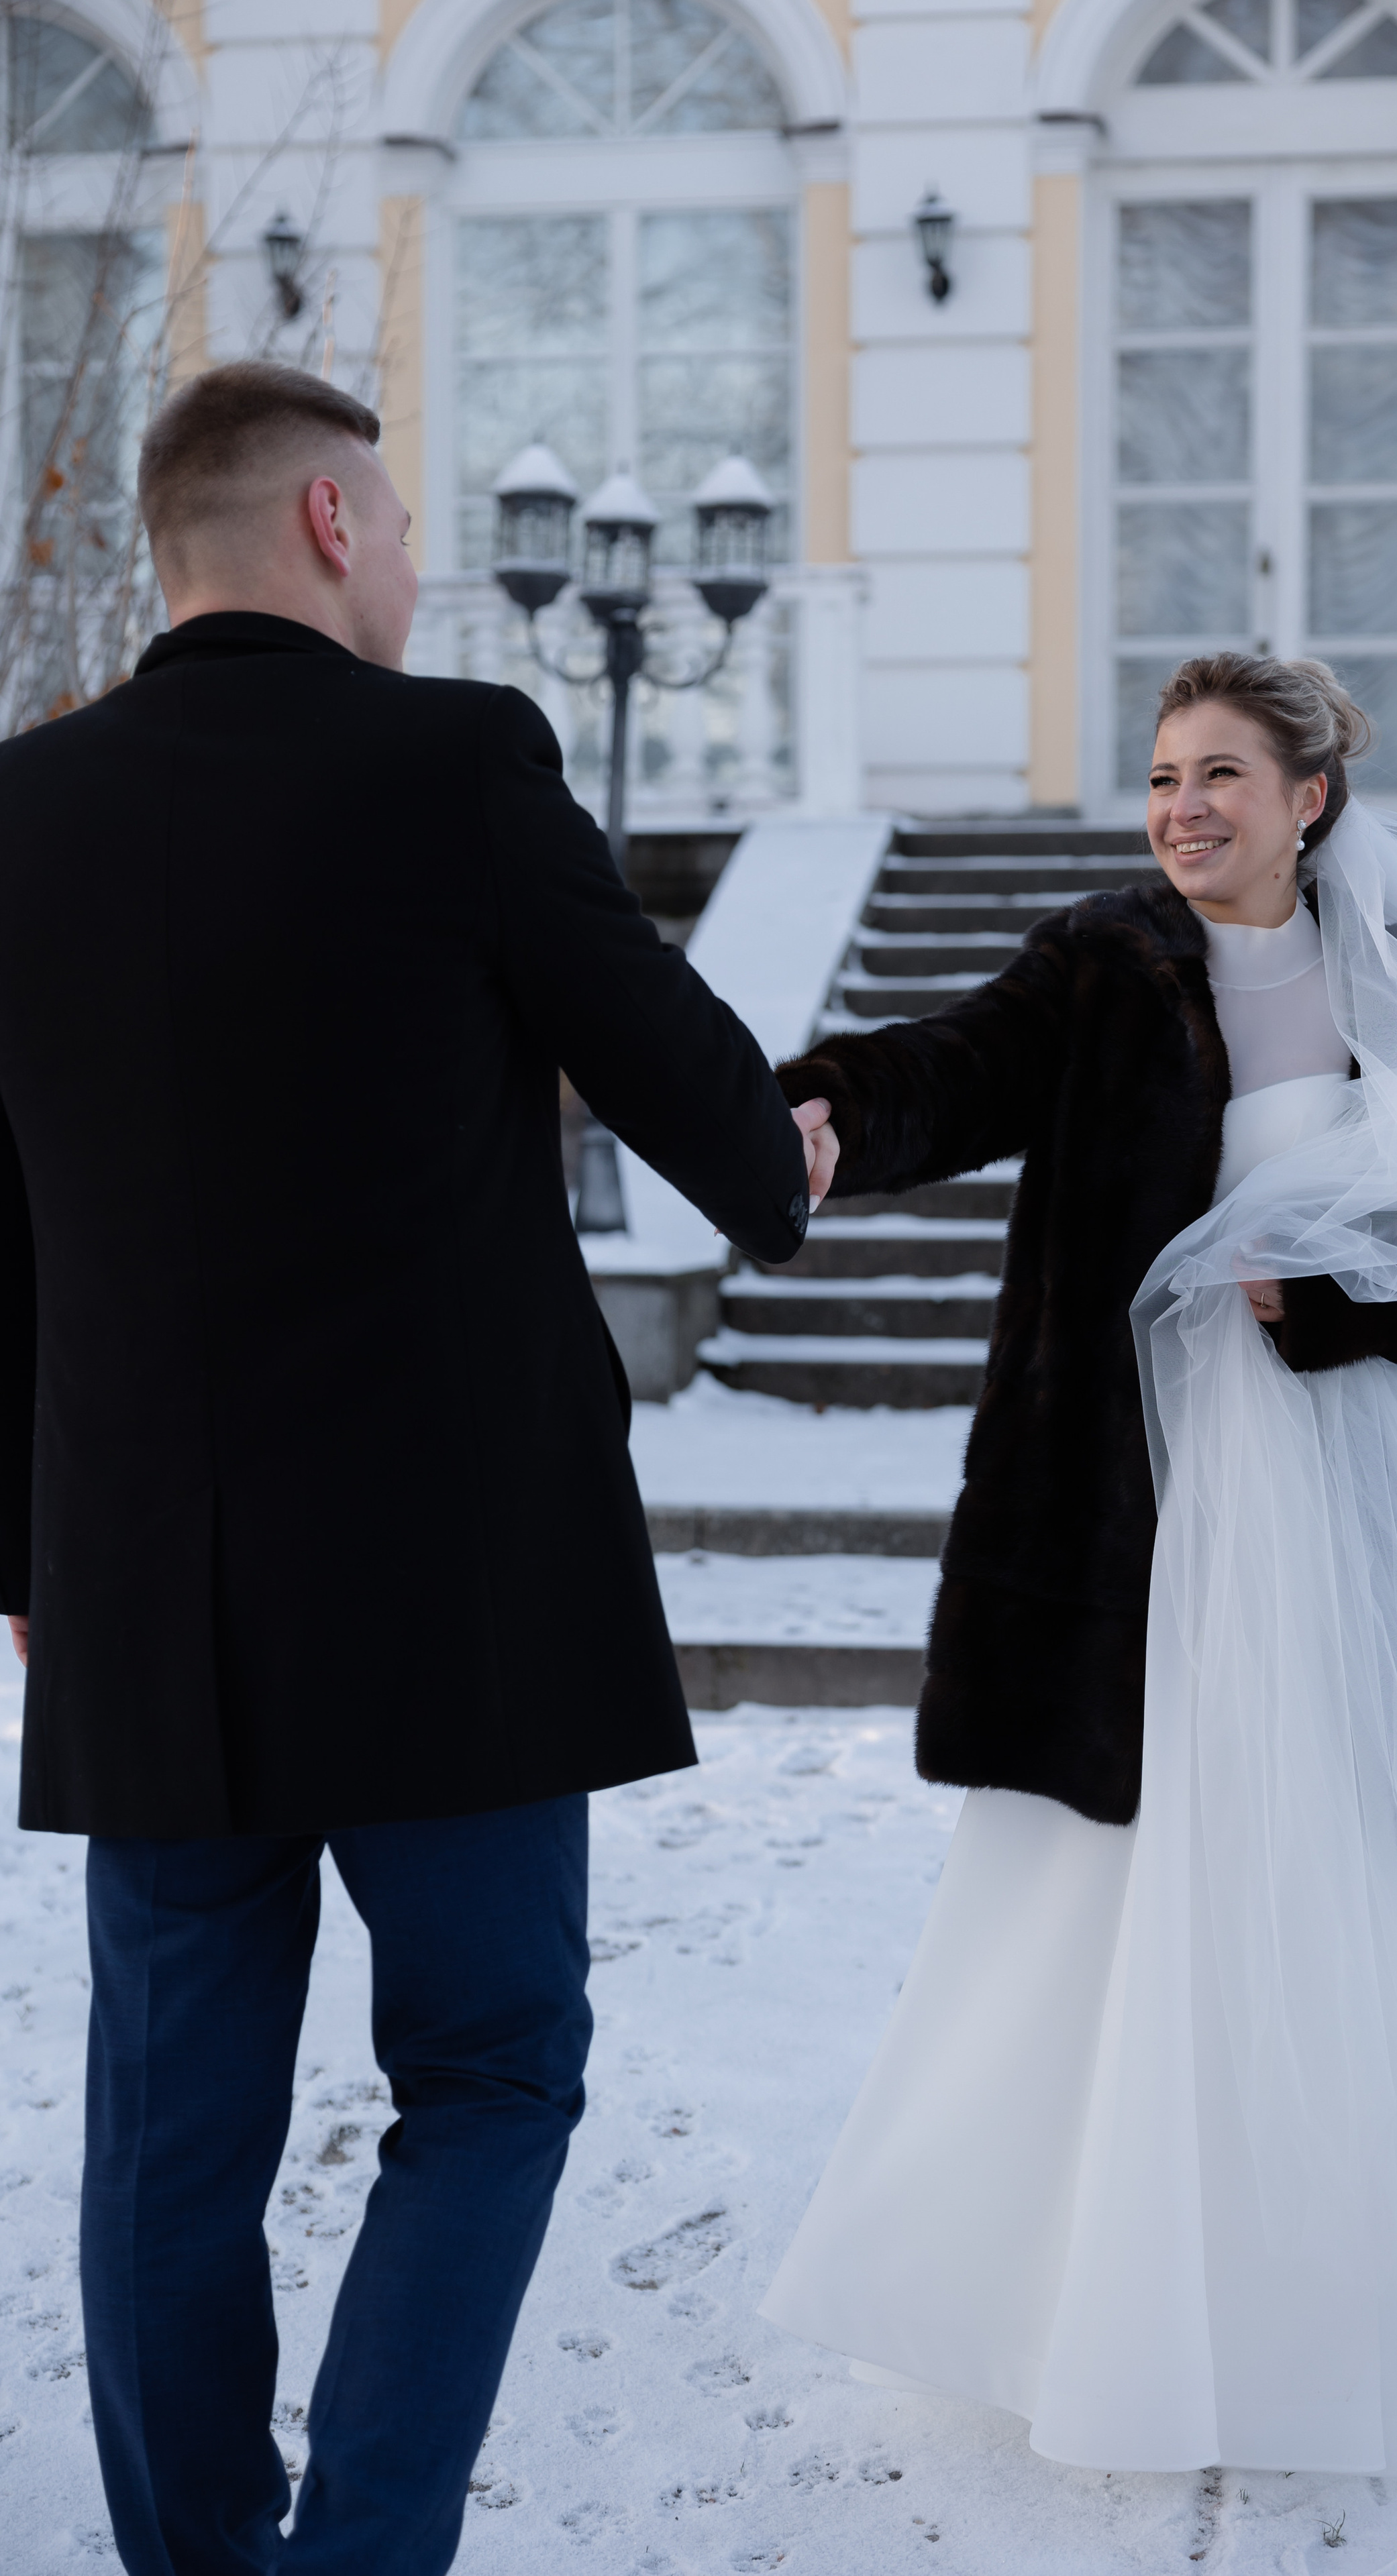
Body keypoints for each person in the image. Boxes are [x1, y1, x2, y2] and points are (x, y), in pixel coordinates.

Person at [0, 360, 837, 2576]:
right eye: (399, 509)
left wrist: (28, 1545)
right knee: (486, 2077)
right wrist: (787, 1151)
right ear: (336, 528)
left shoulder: (18, 811)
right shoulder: (460, 759)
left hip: (149, 1599)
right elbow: (707, 1110)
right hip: (452, 1596)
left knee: (171, 2136)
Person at [761, 654, 1397, 2473]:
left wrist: (1349, 1310)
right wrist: (832, 1100)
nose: (1183, 809)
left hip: (1334, 1492)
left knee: (1315, 1875)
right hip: (1120, 1507)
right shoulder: (1101, 966)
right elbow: (957, 1067)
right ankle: (1079, 2292)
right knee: (1105, 1883)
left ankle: (1320, 2291)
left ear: (1309, 795)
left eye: (1222, 775)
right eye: (1164, 777)